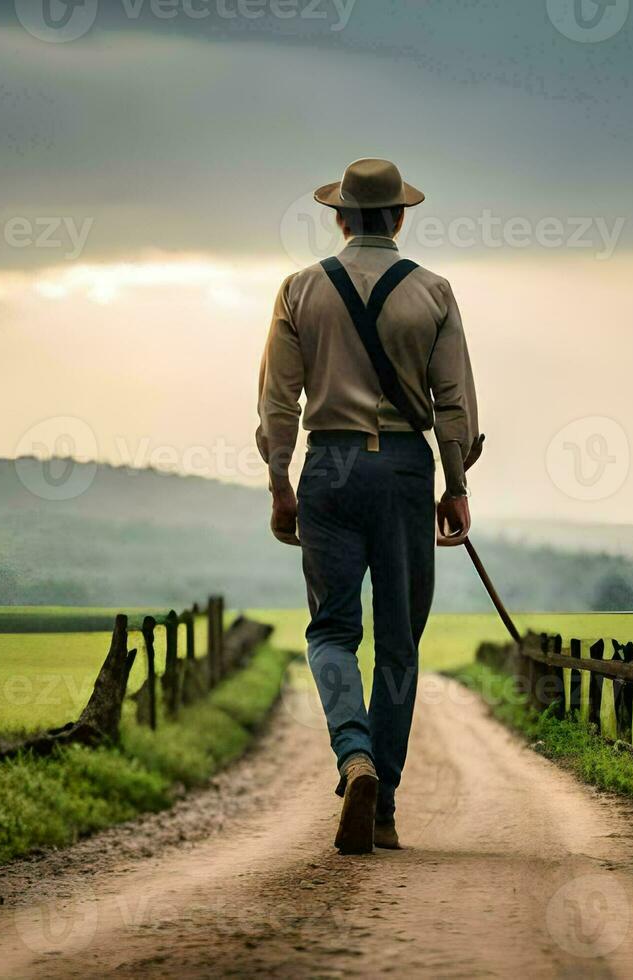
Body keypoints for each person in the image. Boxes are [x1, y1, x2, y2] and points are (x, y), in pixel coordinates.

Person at [256, 158, 482, 854]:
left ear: (340, 217)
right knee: (399, 644)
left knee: (330, 631)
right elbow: (453, 408)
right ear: (402, 217)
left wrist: (280, 480)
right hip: (407, 472)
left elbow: (276, 400)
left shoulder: (299, 289)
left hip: (329, 463)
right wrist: (456, 486)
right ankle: (382, 799)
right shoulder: (434, 292)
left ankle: (352, 756)